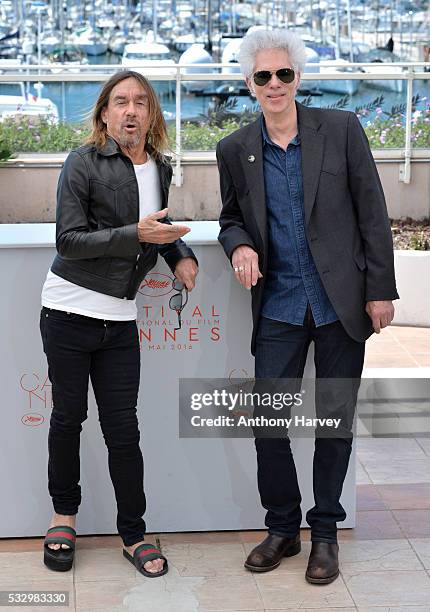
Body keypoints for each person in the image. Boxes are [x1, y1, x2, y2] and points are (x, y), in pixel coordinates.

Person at [216, 29, 398, 584]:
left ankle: (324, 534)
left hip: (340, 300)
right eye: (263, 76)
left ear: (298, 78)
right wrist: (239, 244)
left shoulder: (341, 130)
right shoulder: (234, 149)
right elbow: (230, 217)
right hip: (279, 304)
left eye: (284, 74)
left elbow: (372, 208)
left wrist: (381, 288)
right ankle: (282, 528)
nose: (275, 85)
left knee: (332, 422)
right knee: (269, 422)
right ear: (249, 84)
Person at [40, 70, 198, 577]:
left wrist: (180, 255)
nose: (130, 111)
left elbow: (158, 226)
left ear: (151, 114)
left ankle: (133, 534)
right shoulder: (82, 162)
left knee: (123, 431)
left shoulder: (161, 167)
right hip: (68, 310)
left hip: (120, 319)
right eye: (120, 101)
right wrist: (138, 233)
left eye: (140, 103)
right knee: (68, 420)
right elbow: (69, 239)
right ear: (104, 113)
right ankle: (63, 518)